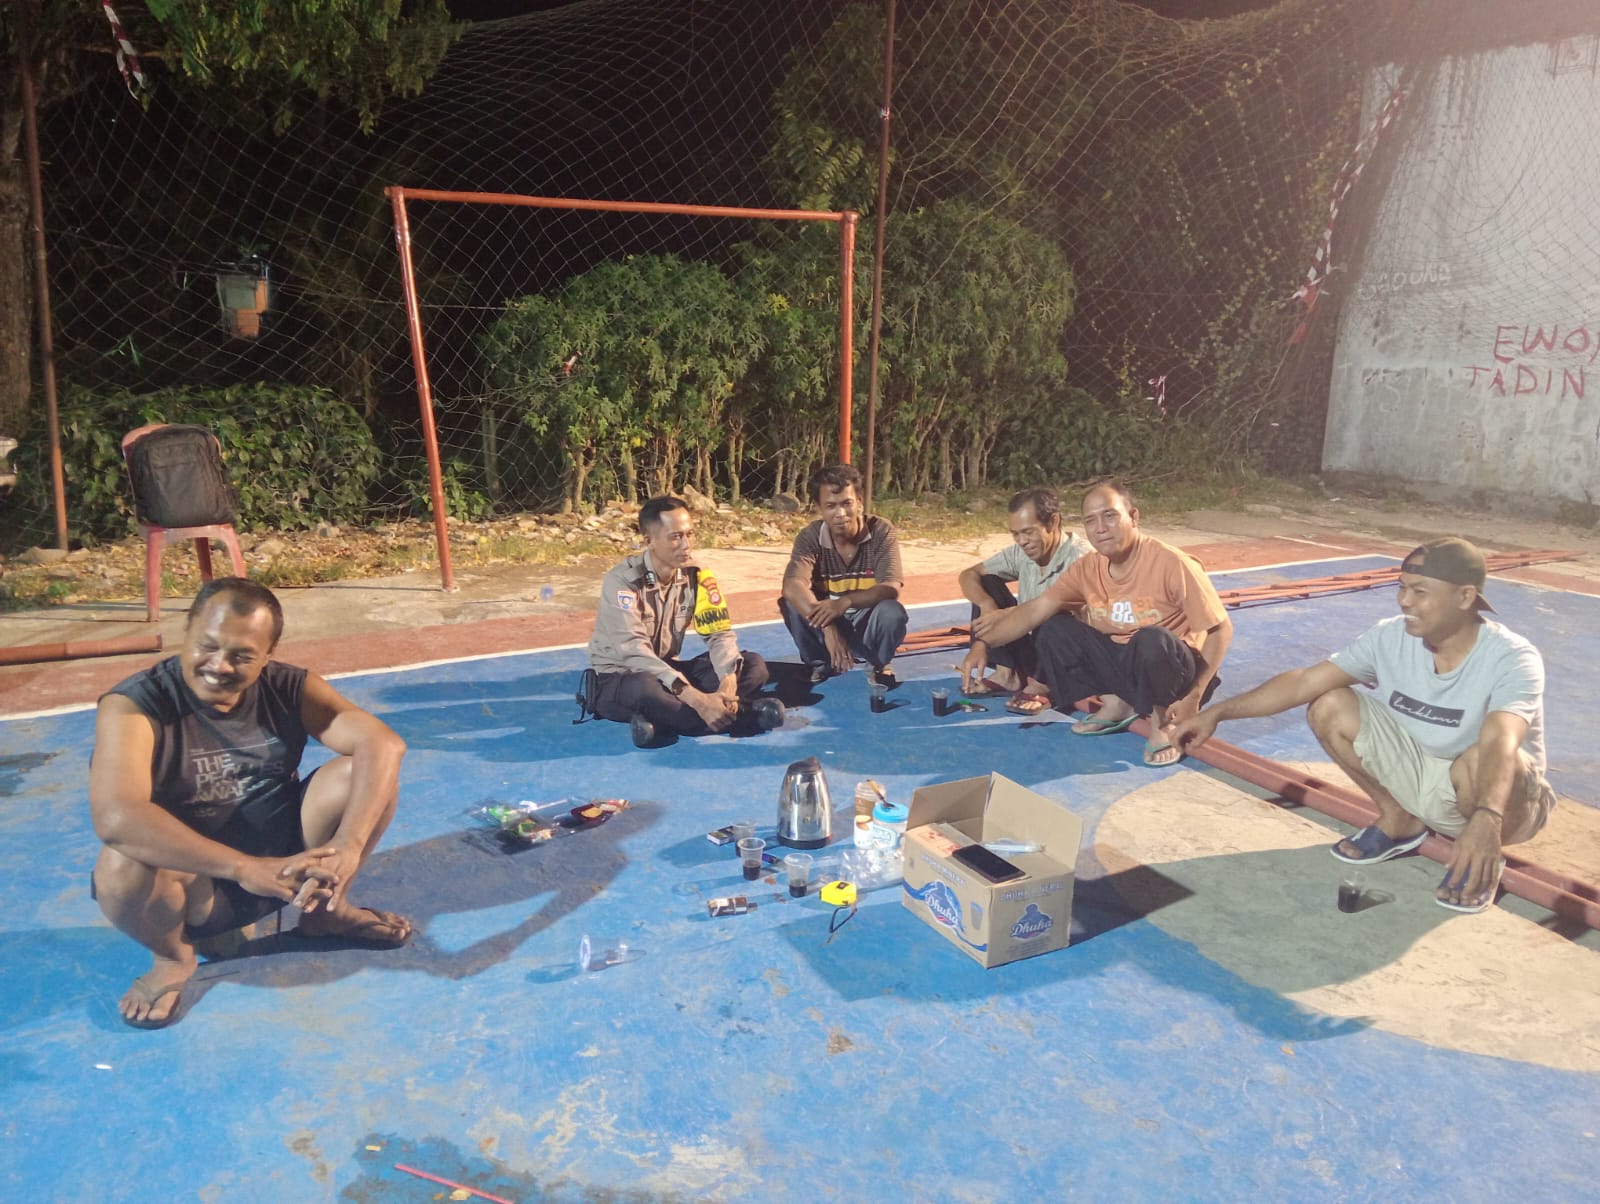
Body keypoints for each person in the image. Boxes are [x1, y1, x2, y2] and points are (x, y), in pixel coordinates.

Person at [89, 579, 412, 1030]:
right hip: (198, 885)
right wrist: (244, 868)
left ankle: (327, 912)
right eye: (207, 646)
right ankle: (173, 957)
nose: (219, 666)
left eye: (242, 656)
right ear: (187, 631)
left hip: (291, 868)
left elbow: (384, 745)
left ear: (268, 654)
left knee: (367, 774)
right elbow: (116, 817)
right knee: (121, 862)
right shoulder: (135, 706)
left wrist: (347, 848)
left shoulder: (289, 686)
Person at [1171, 537, 1553, 913]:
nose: (1404, 601)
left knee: (1482, 755)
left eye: (1420, 591)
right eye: (1402, 588)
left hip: (1500, 798)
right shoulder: (1391, 636)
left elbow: (1502, 739)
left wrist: (1489, 818)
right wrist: (1217, 713)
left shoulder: (1511, 657)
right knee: (1329, 704)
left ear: (1465, 597)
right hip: (1424, 769)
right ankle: (1400, 819)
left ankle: (1482, 854)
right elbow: (1304, 682)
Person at [972, 481, 1231, 765]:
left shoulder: (1172, 563)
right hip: (1127, 666)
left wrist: (1194, 696)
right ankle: (1116, 702)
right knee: (1054, 628)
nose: (1100, 528)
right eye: (1090, 520)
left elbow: (1220, 630)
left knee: (1151, 639)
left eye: (1110, 516)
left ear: (1133, 517)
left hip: (1174, 674)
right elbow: (1035, 611)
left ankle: (1162, 722)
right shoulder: (1087, 568)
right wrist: (983, 643)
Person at [587, 495, 780, 747]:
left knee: (753, 665)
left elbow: (719, 633)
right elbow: (633, 651)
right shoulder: (622, 582)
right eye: (676, 537)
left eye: (690, 534)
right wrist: (697, 699)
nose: (686, 545)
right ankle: (746, 715)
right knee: (645, 689)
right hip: (622, 676)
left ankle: (663, 723)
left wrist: (727, 684)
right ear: (649, 541)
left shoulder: (697, 575)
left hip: (669, 672)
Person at [958, 486, 1091, 716]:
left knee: (1054, 618)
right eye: (1015, 534)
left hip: (1067, 655)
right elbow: (968, 575)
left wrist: (1003, 619)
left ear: (1053, 522)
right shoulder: (1022, 551)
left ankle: (1042, 686)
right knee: (986, 582)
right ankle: (1007, 674)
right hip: (1032, 644)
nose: (1022, 541)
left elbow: (1050, 609)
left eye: (1028, 532)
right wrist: (988, 606)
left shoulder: (1081, 558)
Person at [780, 463, 908, 685]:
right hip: (827, 623)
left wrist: (845, 602)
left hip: (865, 623)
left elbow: (891, 588)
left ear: (859, 501)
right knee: (792, 602)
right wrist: (827, 626)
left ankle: (878, 664)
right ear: (819, 508)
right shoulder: (810, 537)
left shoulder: (881, 531)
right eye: (830, 506)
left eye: (846, 503)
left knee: (892, 611)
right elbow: (792, 585)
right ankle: (821, 663)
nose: (840, 514)